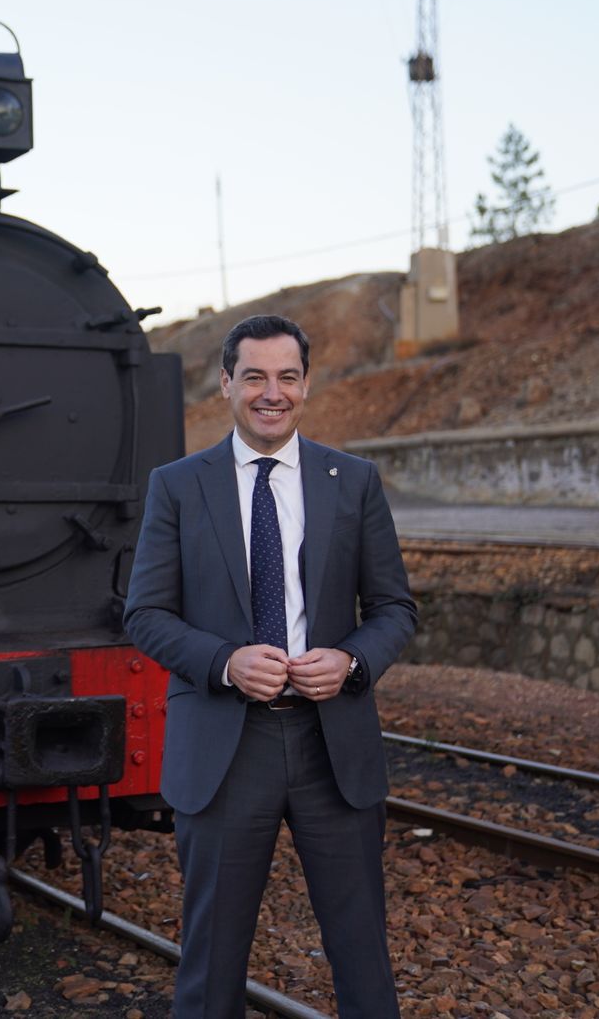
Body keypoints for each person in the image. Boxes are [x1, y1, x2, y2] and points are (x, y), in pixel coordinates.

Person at [123, 314, 417, 1018]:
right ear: (226, 383)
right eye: (254, 376)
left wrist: (350, 661)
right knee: (210, 967)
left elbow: (395, 610)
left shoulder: (356, 482)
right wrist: (225, 662)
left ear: (307, 385)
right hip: (226, 750)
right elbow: (145, 616)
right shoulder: (177, 486)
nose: (271, 392)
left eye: (287, 377)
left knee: (363, 959)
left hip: (332, 747)